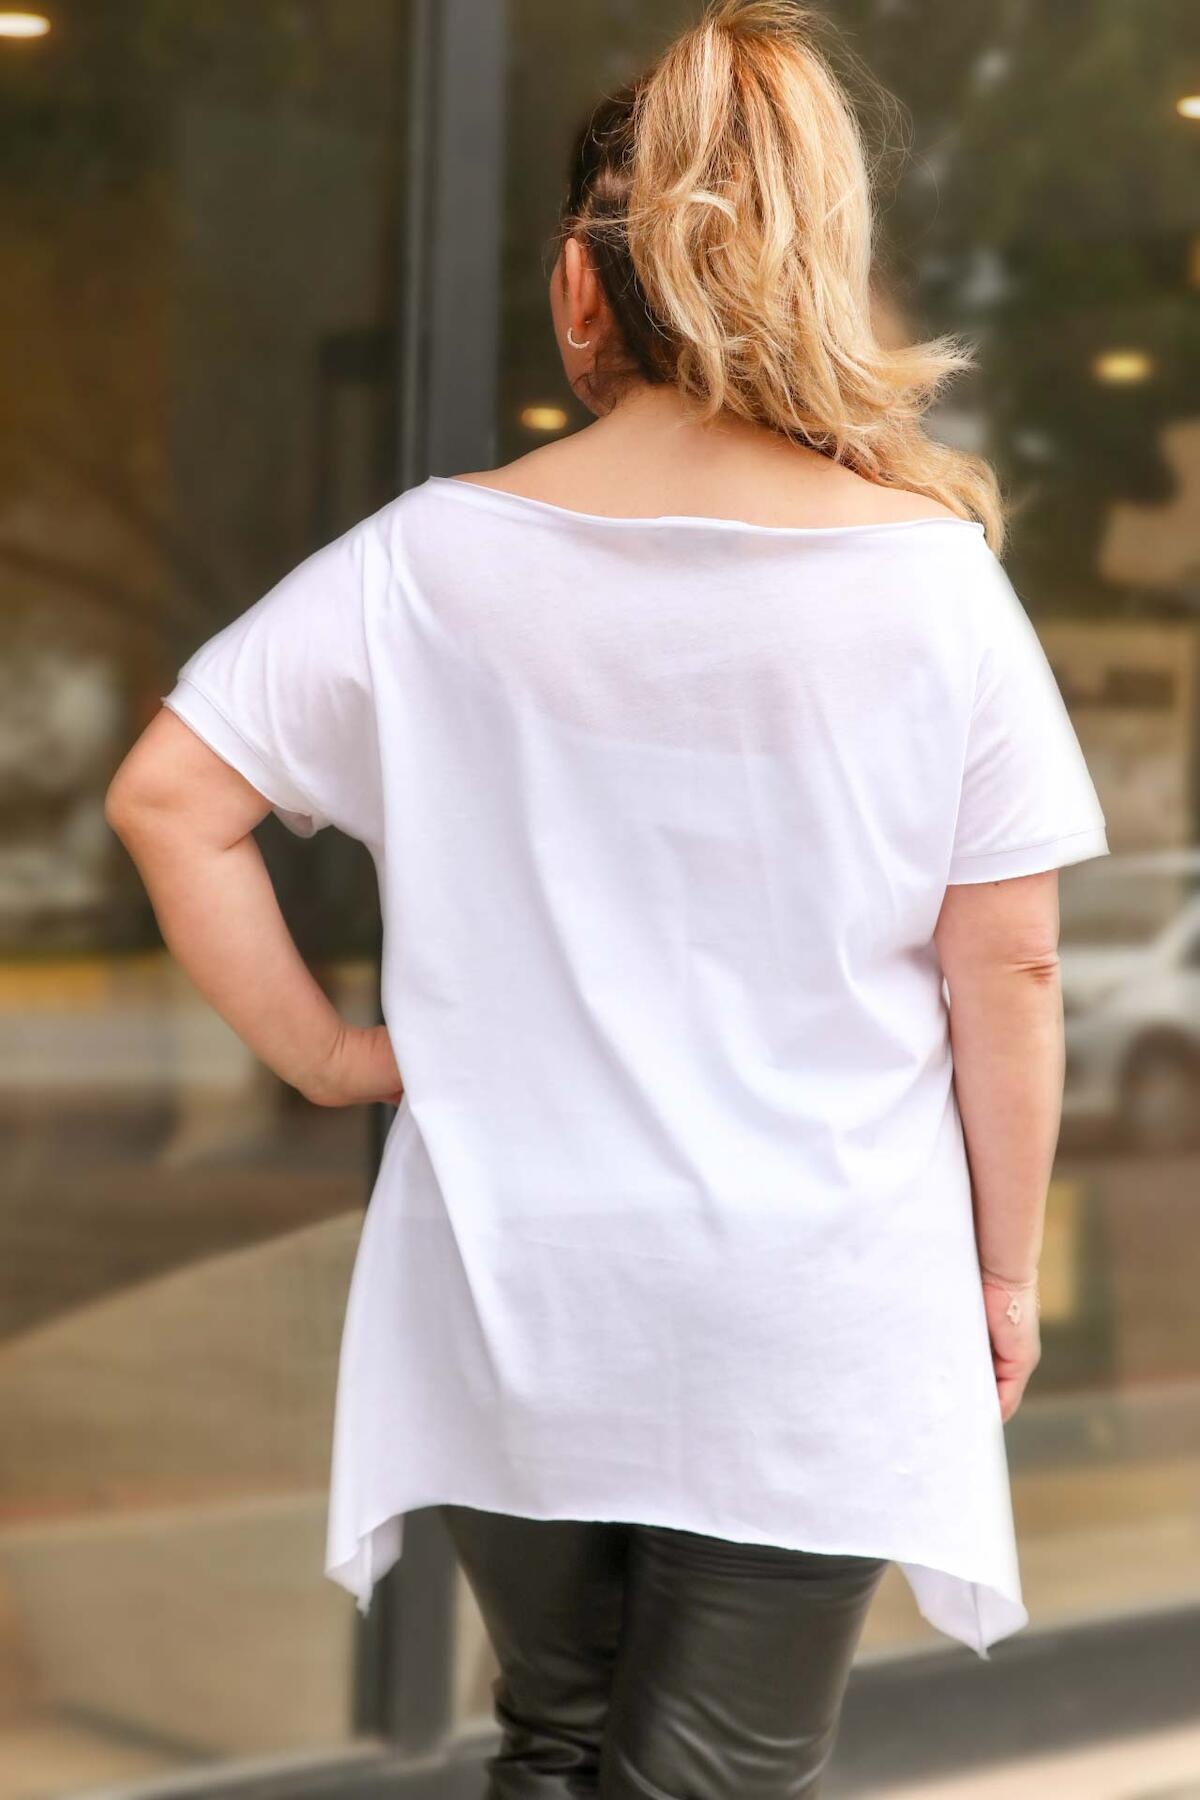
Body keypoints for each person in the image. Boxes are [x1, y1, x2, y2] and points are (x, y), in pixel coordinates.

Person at [105, 2, 1109, 1794]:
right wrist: (1005, 1274)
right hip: (813, 1296)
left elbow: (170, 799)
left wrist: (330, 1061)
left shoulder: (427, 559)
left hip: (518, 1276)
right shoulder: (935, 587)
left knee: (557, 1735)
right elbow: (1010, 966)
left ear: (583, 285)